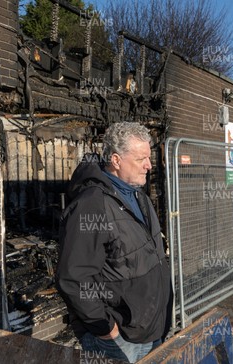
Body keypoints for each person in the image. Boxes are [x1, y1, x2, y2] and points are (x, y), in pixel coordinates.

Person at [56, 122, 172, 363]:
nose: (149, 166)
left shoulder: (138, 196)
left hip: (151, 329)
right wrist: (107, 329)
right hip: (120, 339)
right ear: (117, 161)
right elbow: (73, 278)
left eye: (148, 158)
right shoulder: (92, 205)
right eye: (141, 159)